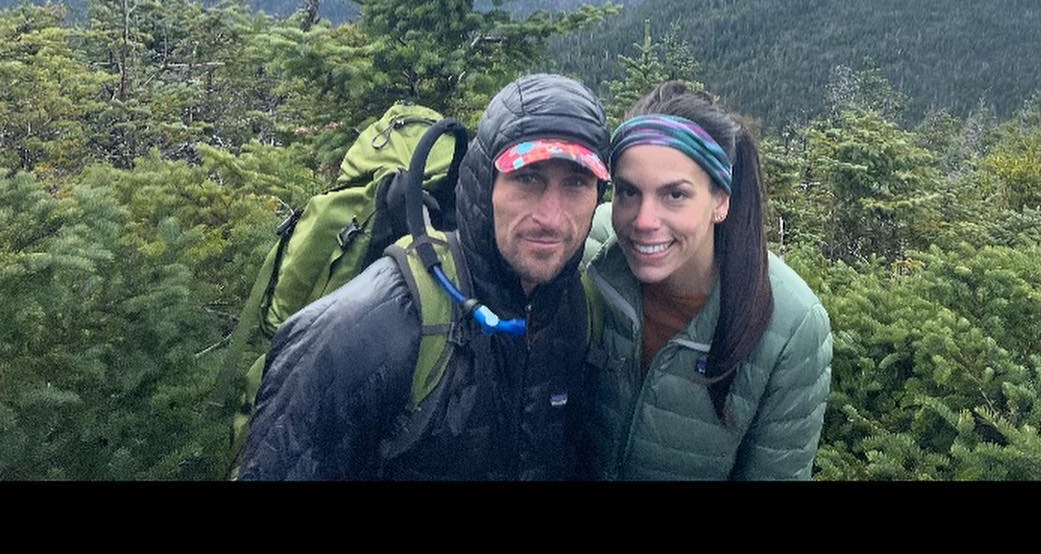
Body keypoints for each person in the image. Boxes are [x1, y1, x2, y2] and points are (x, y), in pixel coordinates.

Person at [236, 73, 610, 480]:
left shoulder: (579, 311)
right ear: (483, 184)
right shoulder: (372, 327)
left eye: (576, 183)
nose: (551, 217)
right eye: (527, 178)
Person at [583, 82, 832, 480]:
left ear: (720, 200)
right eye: (628, 192)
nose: (644, 220)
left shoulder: (791, 326)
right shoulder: (588, 252)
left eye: (674, 195)